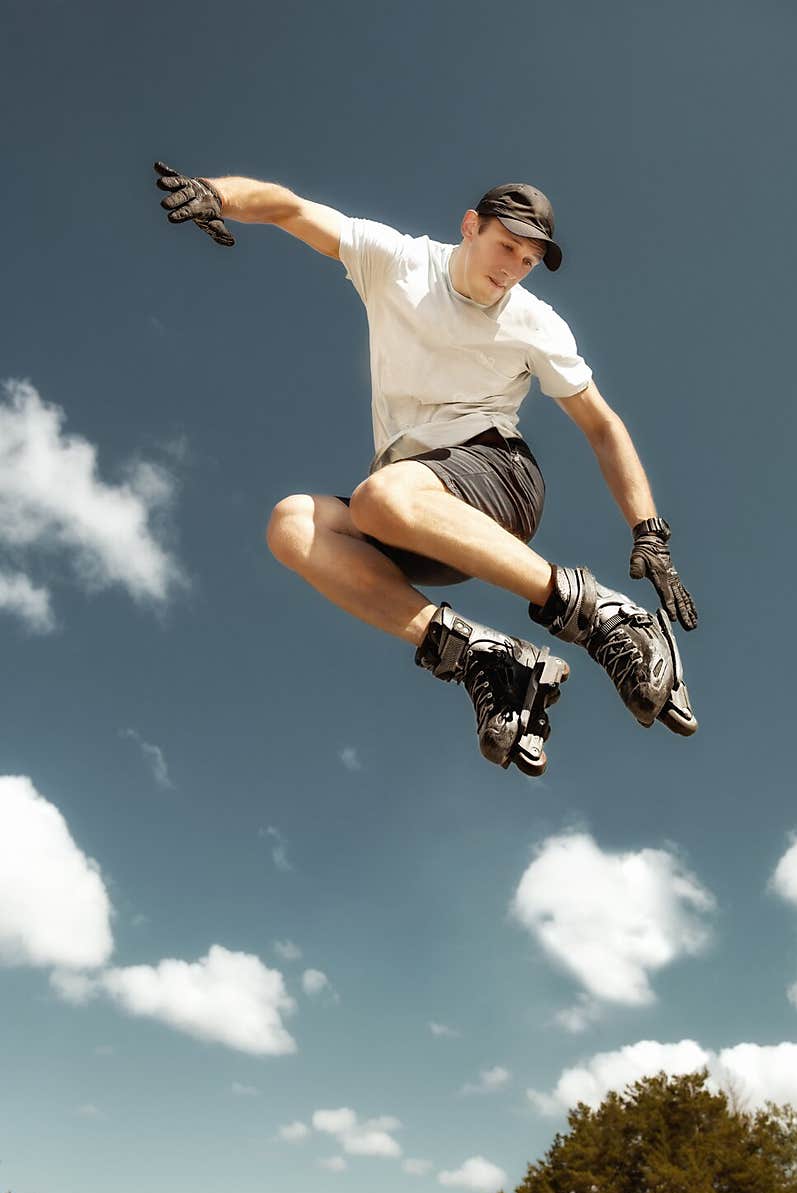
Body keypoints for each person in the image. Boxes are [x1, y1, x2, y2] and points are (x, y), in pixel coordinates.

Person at [154, 162, 699, 775]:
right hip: (417, 507)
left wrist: (649, 532)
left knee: (380, 497)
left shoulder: (536, 324)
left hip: (498, 475)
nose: (512, 269)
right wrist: (217, 195)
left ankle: (601, 617)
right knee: (293, 525)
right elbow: (290, 208)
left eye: (528, 260)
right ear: (470, 226)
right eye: (506, 246)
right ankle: (481, 657)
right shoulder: (395, 261)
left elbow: (602, 425)